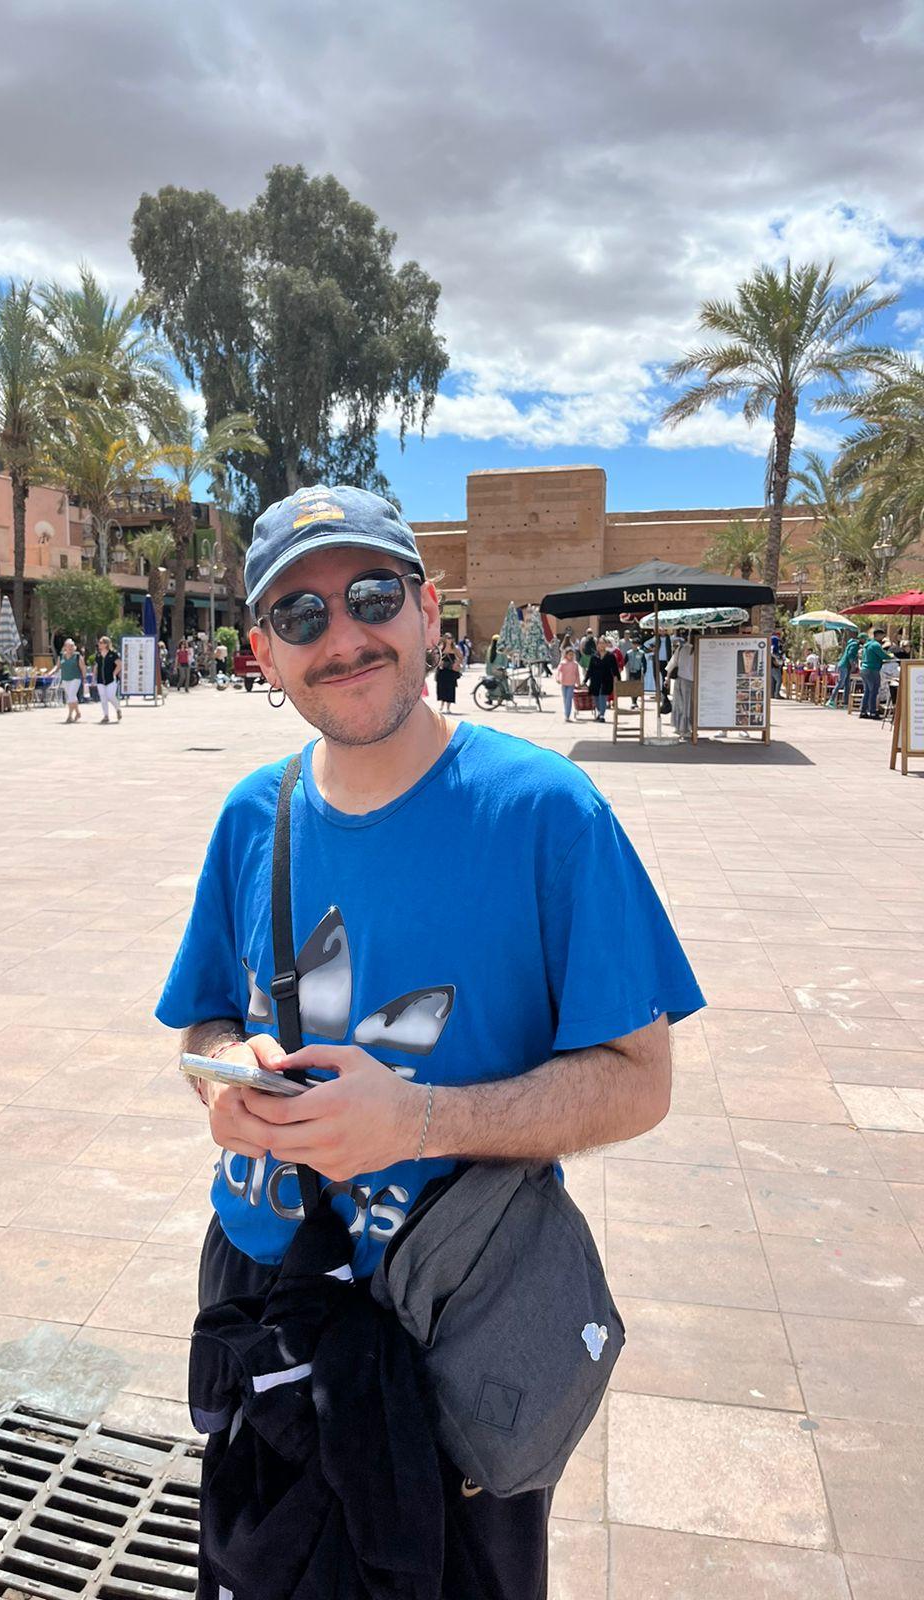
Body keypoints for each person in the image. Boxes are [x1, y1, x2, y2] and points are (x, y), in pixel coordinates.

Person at [156, 483, 703, 1600]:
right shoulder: (252, 816)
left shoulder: (546, 813)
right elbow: (203, 1020)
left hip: (456, 1325)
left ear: (426, 606)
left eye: (371, 596)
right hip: (267, 1297)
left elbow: (640, 1081)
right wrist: (222, 1079)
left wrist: (419, 1121)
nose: (343, 636)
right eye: (301, 615)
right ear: (264, 650)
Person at [860, 628, 894, 719]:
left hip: (864, 669)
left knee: (867, 691)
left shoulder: (868, 644)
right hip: (872, 669)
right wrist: (891, 656)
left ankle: (863, 711)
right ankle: (873, 712)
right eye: (882, 636)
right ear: (878, 635)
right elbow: (884, 656)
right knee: (874, 691)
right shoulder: (876, 645)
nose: (883, 638)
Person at [584, 636, 619, 722]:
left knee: (603, 697)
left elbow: (615, 669)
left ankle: (602, 715)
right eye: (600, 643)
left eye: (603, 643)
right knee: (596, 698)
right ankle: (600, 713)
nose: (601, 645)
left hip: (606, 680)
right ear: (597, 645)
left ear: (606, 645)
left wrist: (618, 679)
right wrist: (585, 680)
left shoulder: (611, 656)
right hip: (595, 681)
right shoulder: (594, 657)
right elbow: (590, 670)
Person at [669, 632, 695, 739]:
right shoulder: (697, 650)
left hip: (679, 679)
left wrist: (667, 678)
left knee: (679, 703)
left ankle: (678, 727)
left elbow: (672, 663)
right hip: (690, 681)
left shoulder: (681, 648)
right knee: (687, 705)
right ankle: (685, 728)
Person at [55, 638, 86, 723]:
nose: (70, 648)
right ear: (65, 647)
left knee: (71, 696)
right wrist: (49, 673)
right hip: (65, 679)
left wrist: (84, 678)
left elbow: (83, 668)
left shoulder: (77, 656)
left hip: (75, 678)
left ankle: (69, 716)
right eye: (68, 646)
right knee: (71, 697)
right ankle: (78, 712)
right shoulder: (61, 656)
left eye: (72, 646)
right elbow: (57, 666)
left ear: (74, 647)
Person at [94, 635, 123, 722]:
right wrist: (93, 677)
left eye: (101, 642)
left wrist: (114, 673)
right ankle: (106, 716)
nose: (99, 644)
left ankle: (118, 709)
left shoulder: (113, 654)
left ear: (106, 644)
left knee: (110, 696)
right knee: (103, 698)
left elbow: (119, 665)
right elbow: (96, 666)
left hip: (111, 679)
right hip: (100, 679)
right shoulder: (98, 655)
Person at [830, 632, 860, 708]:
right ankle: (831, 700)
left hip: (846, 666)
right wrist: (853, 666)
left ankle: (845, 703)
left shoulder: (852, 644)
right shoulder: (855, 645)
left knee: (847, 684)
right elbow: (850, 656)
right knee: (841, 683)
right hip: (844, 666)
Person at [556, 644, 580, 721]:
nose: (571, 656)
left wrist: (578, 682)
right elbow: (558, 671)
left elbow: (577, 674)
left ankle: (567, 715)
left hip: (571, 684)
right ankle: (566, 713)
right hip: (564, 683)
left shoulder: (575, 664)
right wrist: (557, 678)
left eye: (572, 655)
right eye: (569, 654)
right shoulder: (563, 663)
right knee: (565, 699)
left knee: (569, 699)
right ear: (566, 655)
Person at [434, 648, 460, 714]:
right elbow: (435, 660)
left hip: (451, 672)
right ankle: (442, 705)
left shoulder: (454, 649)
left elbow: (461, 658)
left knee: (450, 689)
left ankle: (448, 707)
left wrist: (457, 663)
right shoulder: (440, 649)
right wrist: (439, 662)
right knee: (442, 689)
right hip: (442, 672)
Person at [770, 633, 785, 699]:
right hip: (775, 666)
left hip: (771, 666)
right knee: (779, 680)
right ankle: (776, 694)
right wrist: (778, 657)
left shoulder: (770, 647)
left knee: (773, 681)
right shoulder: (774, 648)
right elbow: (775, 656)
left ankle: (772, 694)